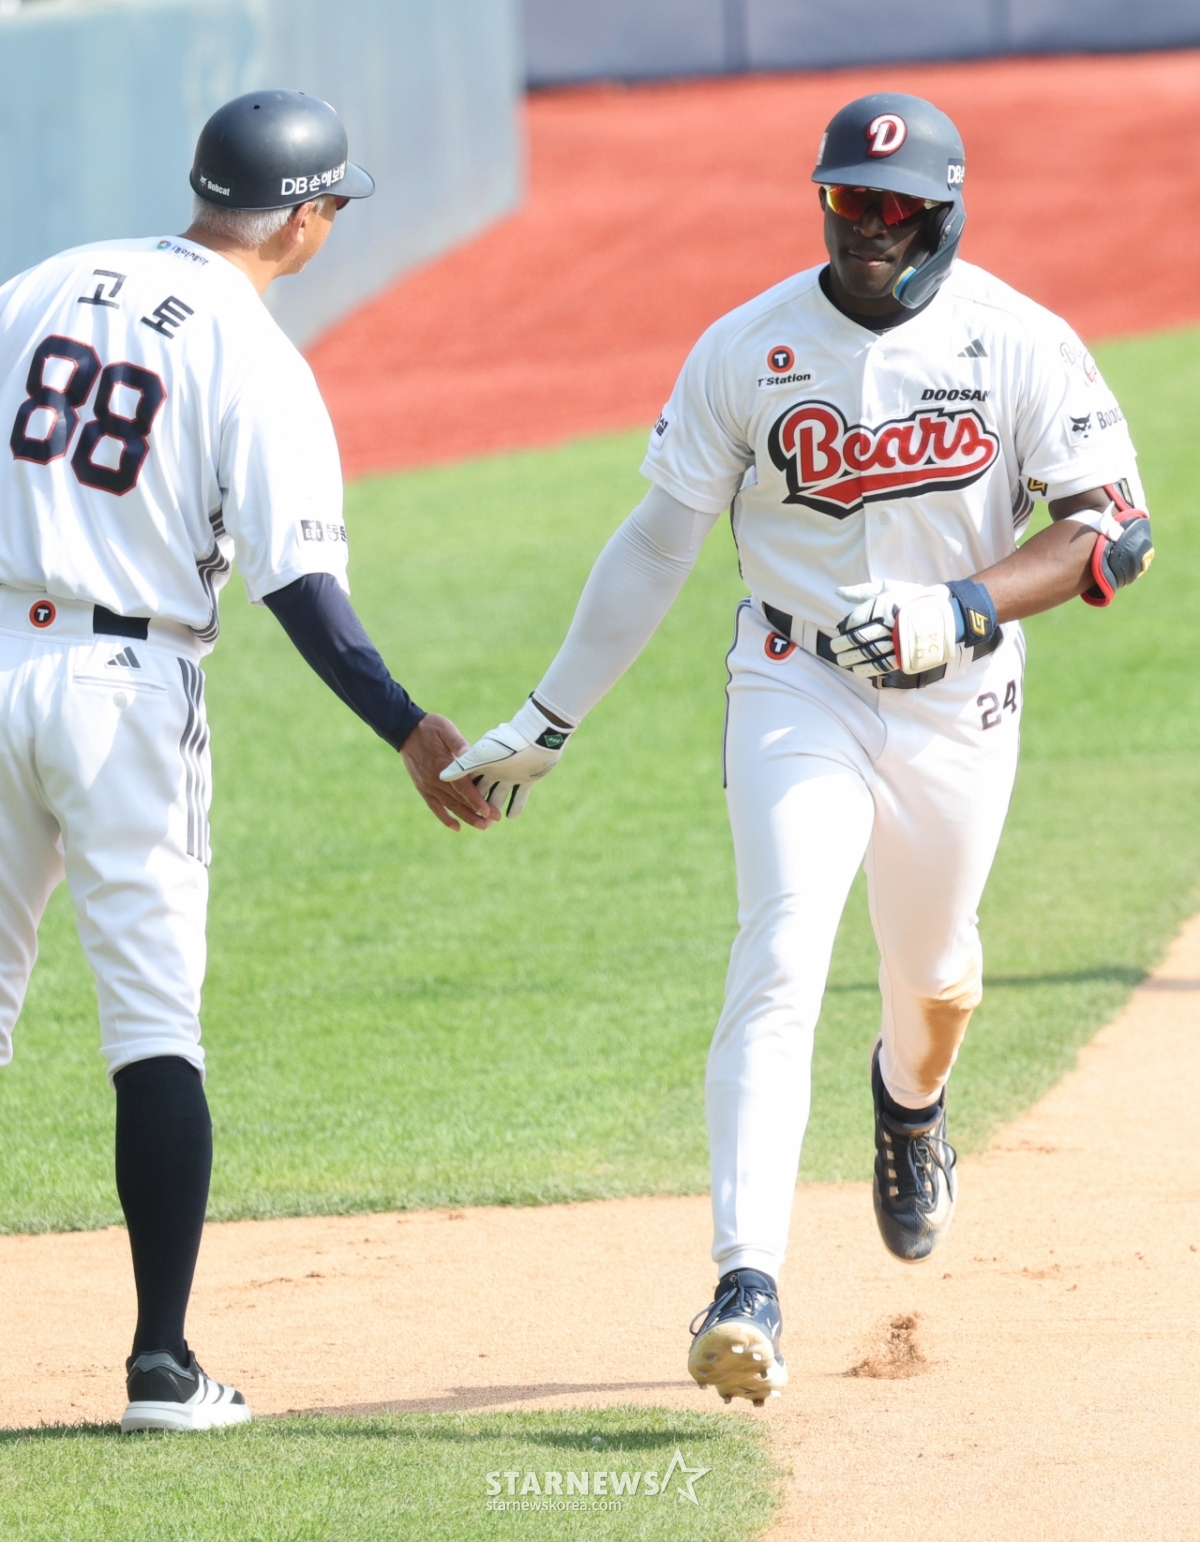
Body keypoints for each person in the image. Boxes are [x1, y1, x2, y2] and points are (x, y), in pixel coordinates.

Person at [440, 93, 1152, 1405]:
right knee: (779, 949)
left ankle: (911, 1104)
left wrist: (962, 607)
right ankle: (745, 1282)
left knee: (933, 972)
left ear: (941, 214)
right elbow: (658, 542)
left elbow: (1113, 529)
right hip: (794, 681)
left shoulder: (1018, 340)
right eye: (844, 200)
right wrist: (548, 716)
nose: (866, 226)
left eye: (892, 207)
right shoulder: (747, 348)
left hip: (959, 700)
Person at [0, 89, 496, 1432]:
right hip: (124, 694)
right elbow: (302, 589)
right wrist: (407, 725)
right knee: (153, 1031)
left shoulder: (43, 282)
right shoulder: (254, 352)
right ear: (304, 217)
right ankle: (162, 1365)